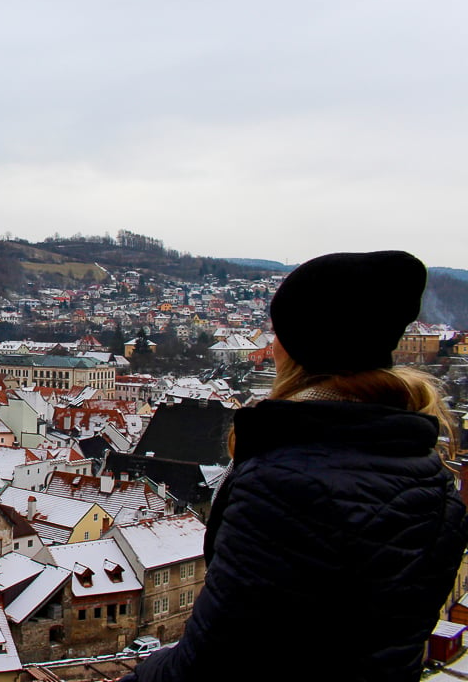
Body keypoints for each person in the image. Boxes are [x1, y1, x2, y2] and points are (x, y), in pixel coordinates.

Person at [120, 250, 468, 682]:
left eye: (277, 329)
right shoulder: (430, 476)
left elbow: (214, 662)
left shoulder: (284, 486)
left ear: (298, 345)